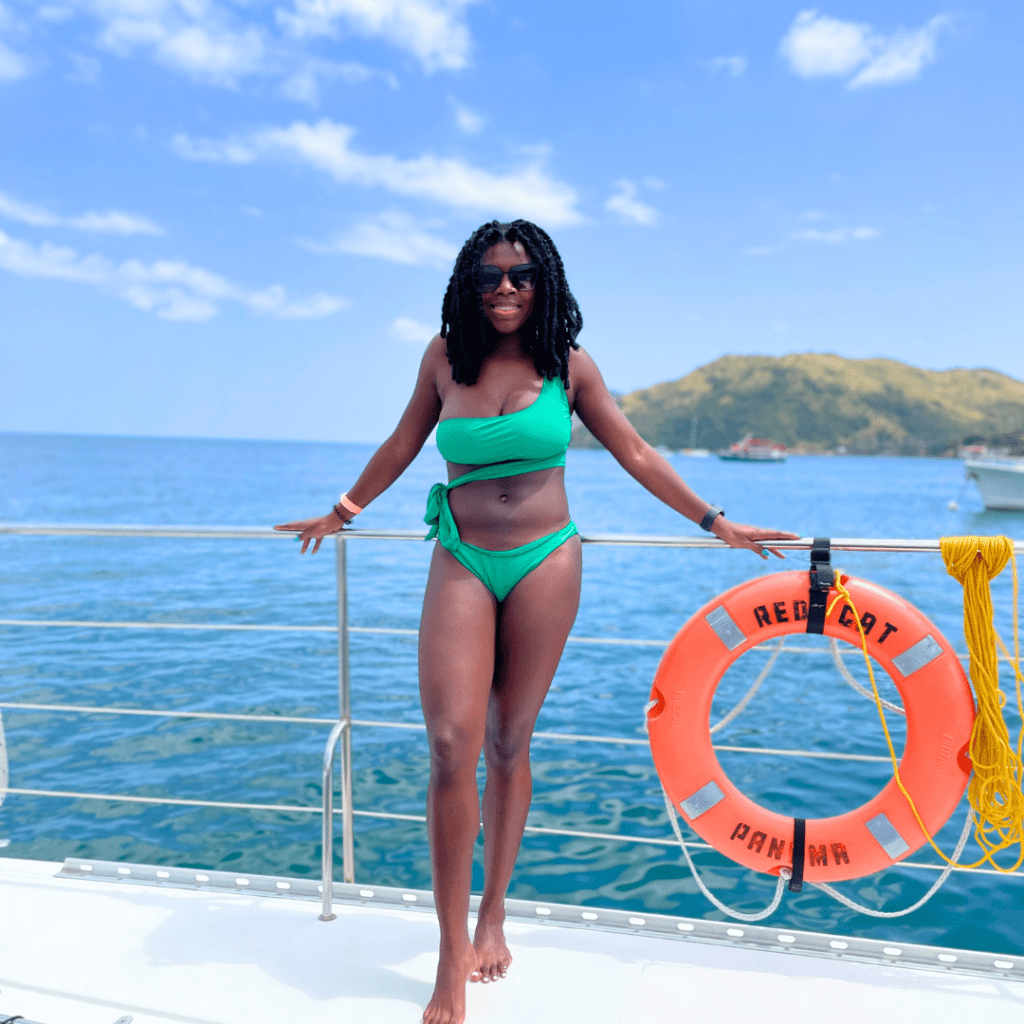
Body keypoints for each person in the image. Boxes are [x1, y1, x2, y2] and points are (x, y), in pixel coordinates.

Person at [275, 219, 797, 1024]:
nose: (505, 289)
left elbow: (635, 452)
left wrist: (715, 521)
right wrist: (342, 511)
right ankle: (450, 952)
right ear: (469, 285)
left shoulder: (569, 364)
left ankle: (493, 915)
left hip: (547, 558)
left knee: (509, 740)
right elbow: (405, 440)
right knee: (450, 745)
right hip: (462, 555)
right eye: (489, 276)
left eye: (520, 275)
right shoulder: (444, 357)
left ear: (543, 283)